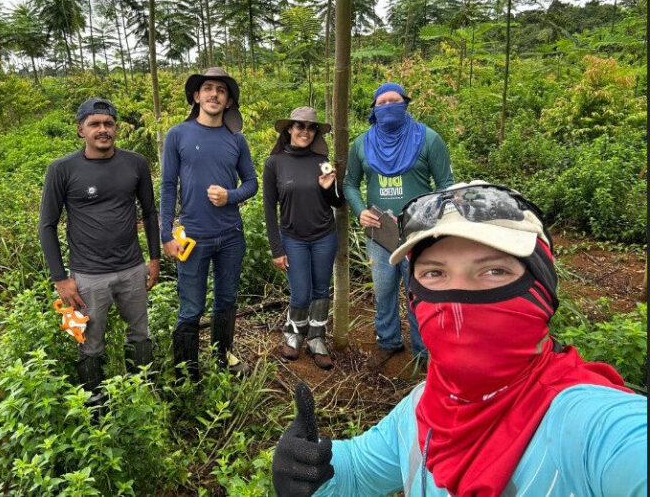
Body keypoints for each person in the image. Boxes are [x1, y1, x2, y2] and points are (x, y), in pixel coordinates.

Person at [271, 181, 648, 497]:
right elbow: (356, 472)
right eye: (434, 273)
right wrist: (311, 470)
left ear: (542, 290)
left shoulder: (598, 429)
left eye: (493, 270)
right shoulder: (423, 407)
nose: (457, 297)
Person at [39, 97, 161, 403]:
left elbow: (149, 212)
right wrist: (60, 279)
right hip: (87, 277)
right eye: (94, 124)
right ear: (81, 130)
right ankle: (95, 406)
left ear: (116, 128)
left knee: (140, 335)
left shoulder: (135, 164)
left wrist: (154, 258)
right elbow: (47, 226)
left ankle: (140, 394)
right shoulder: (62, 169)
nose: (102, 130)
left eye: (108, 124)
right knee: (90, 344)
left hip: (132, 269)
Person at [343, 82, 453, 368]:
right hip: (379, 232)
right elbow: (350, 184)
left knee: (419, 291)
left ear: (405, 104)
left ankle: (423, 350)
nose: (388, 107)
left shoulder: (428, 139)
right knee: (384, 290)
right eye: (381, 103)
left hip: (419, 232)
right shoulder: (361, 144)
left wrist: (432, 218)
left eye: (394, 101)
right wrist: (359, 211)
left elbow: (446, 185)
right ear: (374, 110)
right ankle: (388, 341)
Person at [161, 67, 258, 381]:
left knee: (227, 299)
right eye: (208, 89)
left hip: (231, 236)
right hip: (192, 238)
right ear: (196, 96)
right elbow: (167, 186)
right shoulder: (178, 134)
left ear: (229, 101)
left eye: (221, 90)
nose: (214, 94)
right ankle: (186, 371)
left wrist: (230, 196)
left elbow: (252, 183)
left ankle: (222, 356)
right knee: (191, 307)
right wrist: (165, 234)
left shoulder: (236, 139)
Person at [263, 107, 345, 370]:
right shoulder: (275, 162)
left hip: (324, 235)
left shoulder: (322, 159)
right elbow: (268, 207)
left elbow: (338, 202)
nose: (305, 132)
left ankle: (317, 338)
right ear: (289, 129)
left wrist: (328, 187)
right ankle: (293, 334)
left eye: (311, 128)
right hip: (293, 238)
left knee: (321, 291)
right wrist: (276, 248)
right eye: (300, 126)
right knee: (301, 293)